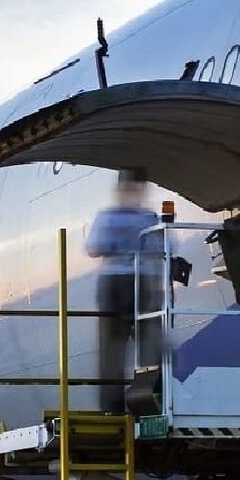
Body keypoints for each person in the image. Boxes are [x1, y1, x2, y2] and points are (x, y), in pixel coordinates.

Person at [85, 168, 163, 413]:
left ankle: (122, 404)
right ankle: (140, 400)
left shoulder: (111, 218)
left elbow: (95, 247)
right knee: (133, 345)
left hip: (121, 283)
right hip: (135, 283)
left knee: (120, 347)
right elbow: (163, 247)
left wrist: (118, 242)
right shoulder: (148, 218)